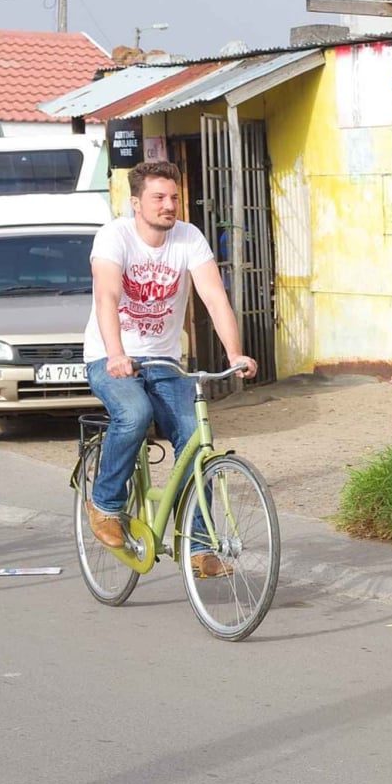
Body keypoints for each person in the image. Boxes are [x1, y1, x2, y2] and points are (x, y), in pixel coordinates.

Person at [83, 161, 257, 576]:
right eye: (158, 197)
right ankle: (105, 504)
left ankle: (199, 547)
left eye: (174, 197)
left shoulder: (189, 237)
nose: (169, 205)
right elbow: (107, 297)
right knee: (134, 414)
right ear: (136, 202)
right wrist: (116, 353)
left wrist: (235, 353)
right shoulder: (114, 236)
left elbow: (213, 297)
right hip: (110, 356)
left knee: (195, 438)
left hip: (164, 360)